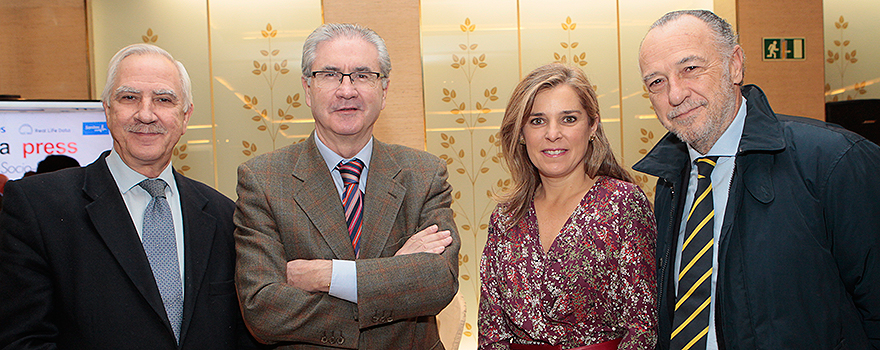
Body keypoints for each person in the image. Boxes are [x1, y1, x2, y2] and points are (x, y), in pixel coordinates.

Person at [633, 9, 880, 350]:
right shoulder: (669, 183)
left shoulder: (834, 161)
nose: (675, 94)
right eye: (656, 82)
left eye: (690, 69)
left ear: (734, 64)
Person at [0, 43, 257, 349]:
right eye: (129, 98)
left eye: (163, 99)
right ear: (107, 110)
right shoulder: (37, 207)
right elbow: (22, 339)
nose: (146, 114)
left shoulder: (223, 214)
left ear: (185, 116)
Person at [234, 23, 460, 348]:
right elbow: (263, 308)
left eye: (363, 75)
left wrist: (328, 276)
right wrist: (396, 275)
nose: (347, 90)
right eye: (329, 74)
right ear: (308, 88)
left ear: (384, 90)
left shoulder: (424, 173)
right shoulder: (263, 179)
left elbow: (439, 281)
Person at [479, 63, 658, 350]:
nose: (552, 134)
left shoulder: (623, 204)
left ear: (592, 126)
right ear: (522, 133)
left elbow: (643, 328)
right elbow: (491, 332)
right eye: (537, 121)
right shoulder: (506, 218)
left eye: (568, 119)